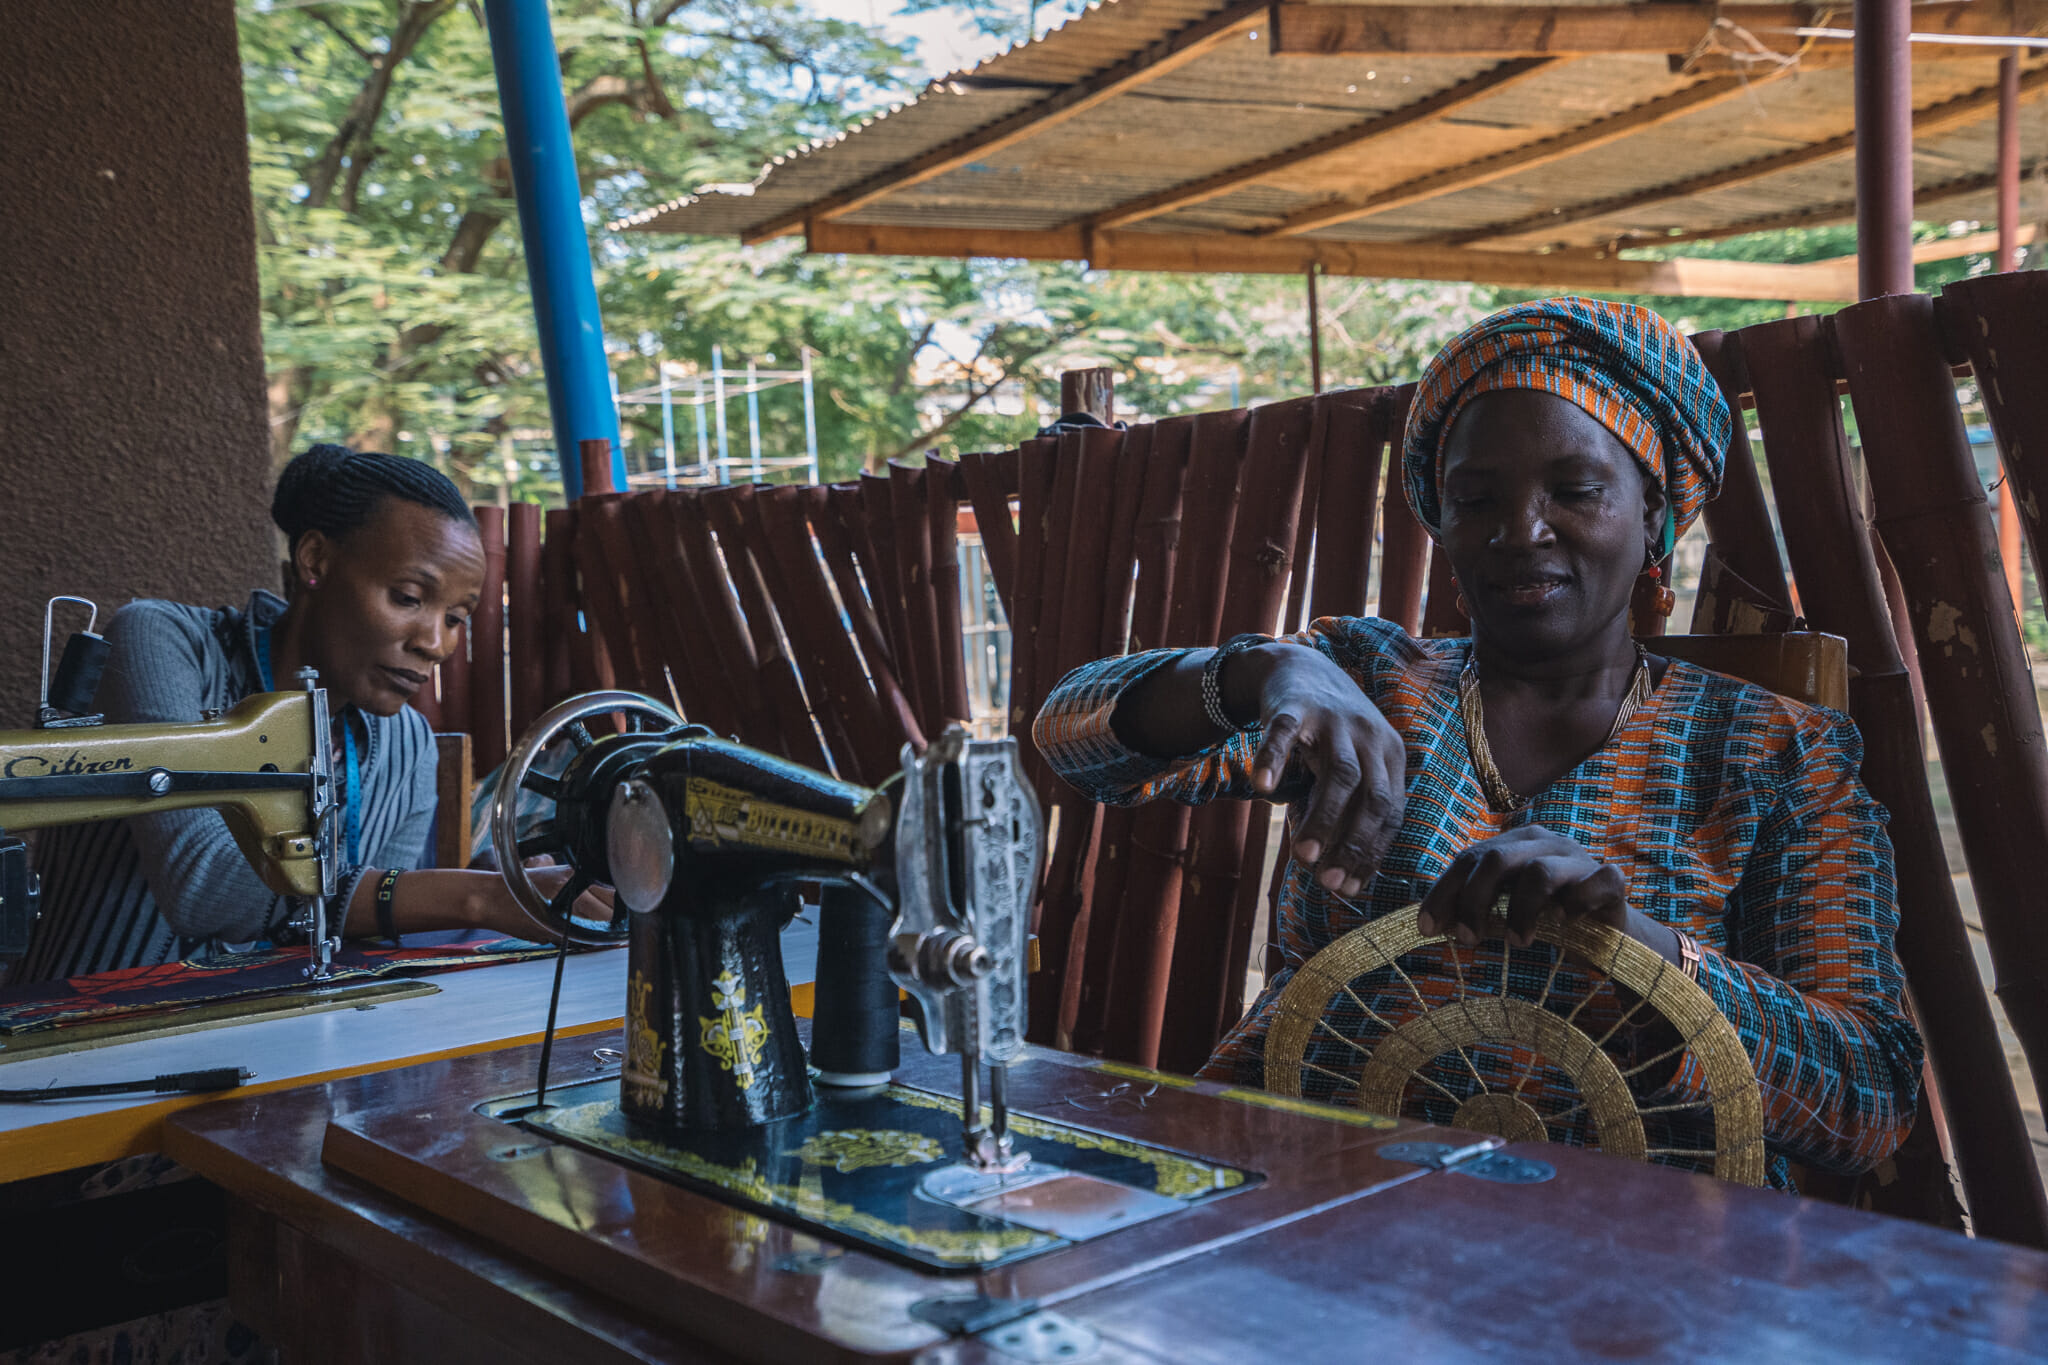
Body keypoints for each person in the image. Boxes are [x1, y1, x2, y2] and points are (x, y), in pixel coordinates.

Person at [1033, 299, 1921, 1188]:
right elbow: (1071, 734)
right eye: (1476, 499)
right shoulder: (1367, 683)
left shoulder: (1773, 752)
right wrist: (1263, 671)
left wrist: (1640, 950)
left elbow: (1868, 1099)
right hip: (1307, 1193)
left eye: (1574, 490)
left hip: (1629, 1243)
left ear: (1652, 511)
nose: (1520, 530)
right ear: (1442, 519)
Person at [19, 445, 605, 983]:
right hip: (79, 1034)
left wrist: (488, 884)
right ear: (315, 559)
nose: (435, 643)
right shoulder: (166, 644)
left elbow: (368, 939)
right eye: (408, 597)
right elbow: (200, 885)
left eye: (455, 618)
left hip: (282, 1038)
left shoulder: (407, 743)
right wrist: (478, 896)